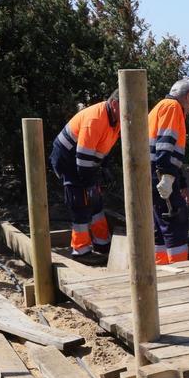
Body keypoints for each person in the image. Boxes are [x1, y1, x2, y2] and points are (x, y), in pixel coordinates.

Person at [49, 91, 120, 261]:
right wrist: (89, 182)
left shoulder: (116, 118)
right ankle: (80, 251)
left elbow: (105, 144)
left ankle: (102, 243)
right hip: (68, 159)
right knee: (80, 201)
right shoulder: (95, 119)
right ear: (115, 104)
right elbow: (83, 157)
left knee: (95, 200)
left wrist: (105, 168)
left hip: (84, 159)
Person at [149, 78, 189, 264]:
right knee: (175, 221)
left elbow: (170, 152)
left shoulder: (160, 107)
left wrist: (181, 182)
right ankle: (179, 267)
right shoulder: (172, 107)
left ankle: (162, 264)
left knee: (160, 223)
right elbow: (164, 145)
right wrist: (167, 177)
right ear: (188, 96)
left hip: (155, 173)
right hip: (161, 174)